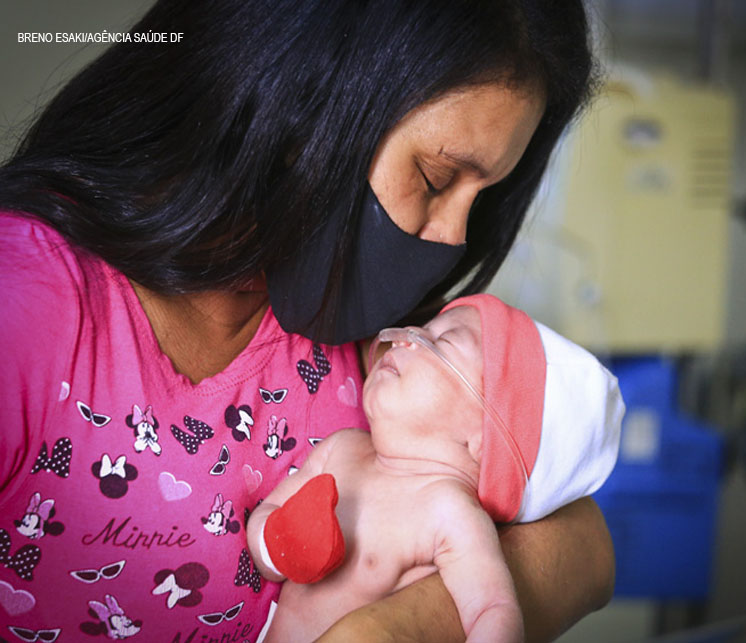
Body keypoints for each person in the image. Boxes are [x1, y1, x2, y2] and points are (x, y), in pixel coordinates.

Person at [0, 1, 613, 640]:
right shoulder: (26, 304)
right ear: (305, 99)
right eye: (435, 179)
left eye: (480, 199)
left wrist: (388, 631)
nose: (454, 239)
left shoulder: (367, 334)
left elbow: (587, 548)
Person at [247, 294, 624, 642]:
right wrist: (277, 544)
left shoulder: (449, 512)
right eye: (424, 329)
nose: (408, 335)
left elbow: (492, 611)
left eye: (442, 342)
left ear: (484, 438)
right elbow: (267, 521)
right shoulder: (341, 450)